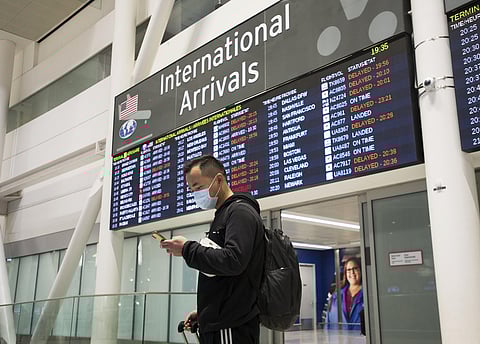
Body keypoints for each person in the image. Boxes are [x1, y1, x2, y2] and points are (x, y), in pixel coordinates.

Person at [161, 155, 265, 344]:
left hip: (230, 326)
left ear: (218, 179)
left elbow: (233, 261)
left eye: (198, 187)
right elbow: (222, 276)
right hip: (220, 323)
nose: (195, 194)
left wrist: (187, 249)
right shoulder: (224, 214)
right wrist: (204, 313)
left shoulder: (240, 212)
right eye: (191, 189)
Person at [327, 257, 364, 331]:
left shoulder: (369, 294)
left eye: (355, 268)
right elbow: (328, 322)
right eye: (349, 270)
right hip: (340, 338)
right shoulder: (336, 296)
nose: (352, 272)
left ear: (361, 270)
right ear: (345, 273)